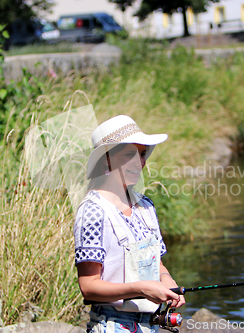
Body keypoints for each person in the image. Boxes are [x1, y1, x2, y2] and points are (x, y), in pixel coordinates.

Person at [74, 115, 185, 333]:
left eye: (142, 154)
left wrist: (169, 284)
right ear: (107, 159)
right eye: (129, 155)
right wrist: (141, 289)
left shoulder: (146, 206)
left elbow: (158, 266)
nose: (139, 163)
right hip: (110, 325)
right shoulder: (93, 211)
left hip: (149, 325)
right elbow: (88, 287)